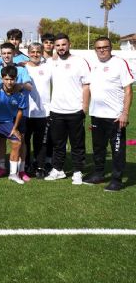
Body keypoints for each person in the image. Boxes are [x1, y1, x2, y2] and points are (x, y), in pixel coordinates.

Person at [85, 37, 133, 191]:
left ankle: (117, 180)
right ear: (95, 49)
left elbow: (128, 90)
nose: (102, 50)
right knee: (98, 148)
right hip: (96, 114)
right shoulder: (93, 65)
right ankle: (98, 174)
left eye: (105, 47)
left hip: (115, 116)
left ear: (111, 48)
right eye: (99, 48)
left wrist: (125, 113)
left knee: (117, 149)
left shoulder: (119, 63)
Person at [44, 33, 90, 184]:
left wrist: (84, 107)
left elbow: (86, 85)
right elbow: (36, 64)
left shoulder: (79, 61)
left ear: (69, 44)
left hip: (75, 110)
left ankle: (77, 172)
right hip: (56, 110)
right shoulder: (51, 62)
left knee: (77, 144)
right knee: (58, 143)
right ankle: (58, 169)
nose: (61, 48)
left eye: (63, 44)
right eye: (57, 45)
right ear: (54, 47)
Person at [0, 65, 28, 184]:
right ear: (2, 78)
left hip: (8, 122)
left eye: (12, 79)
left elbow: (20, 111)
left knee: (17, 142)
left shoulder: (21, 93)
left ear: (16, 79)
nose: (9, 82)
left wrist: (14, 128)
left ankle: (13, 174)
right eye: (6, 79)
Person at [24, 43, 53, 179]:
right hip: (25, 111)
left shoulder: (48, 67)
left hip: (44, 112)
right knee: (25, 140)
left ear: (42, 53)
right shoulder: (23, 68)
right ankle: (25, 164)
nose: (35, 54)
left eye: (38, 52)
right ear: (28, 53)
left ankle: (40, 166)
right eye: (32, 52)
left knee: (41, 141)